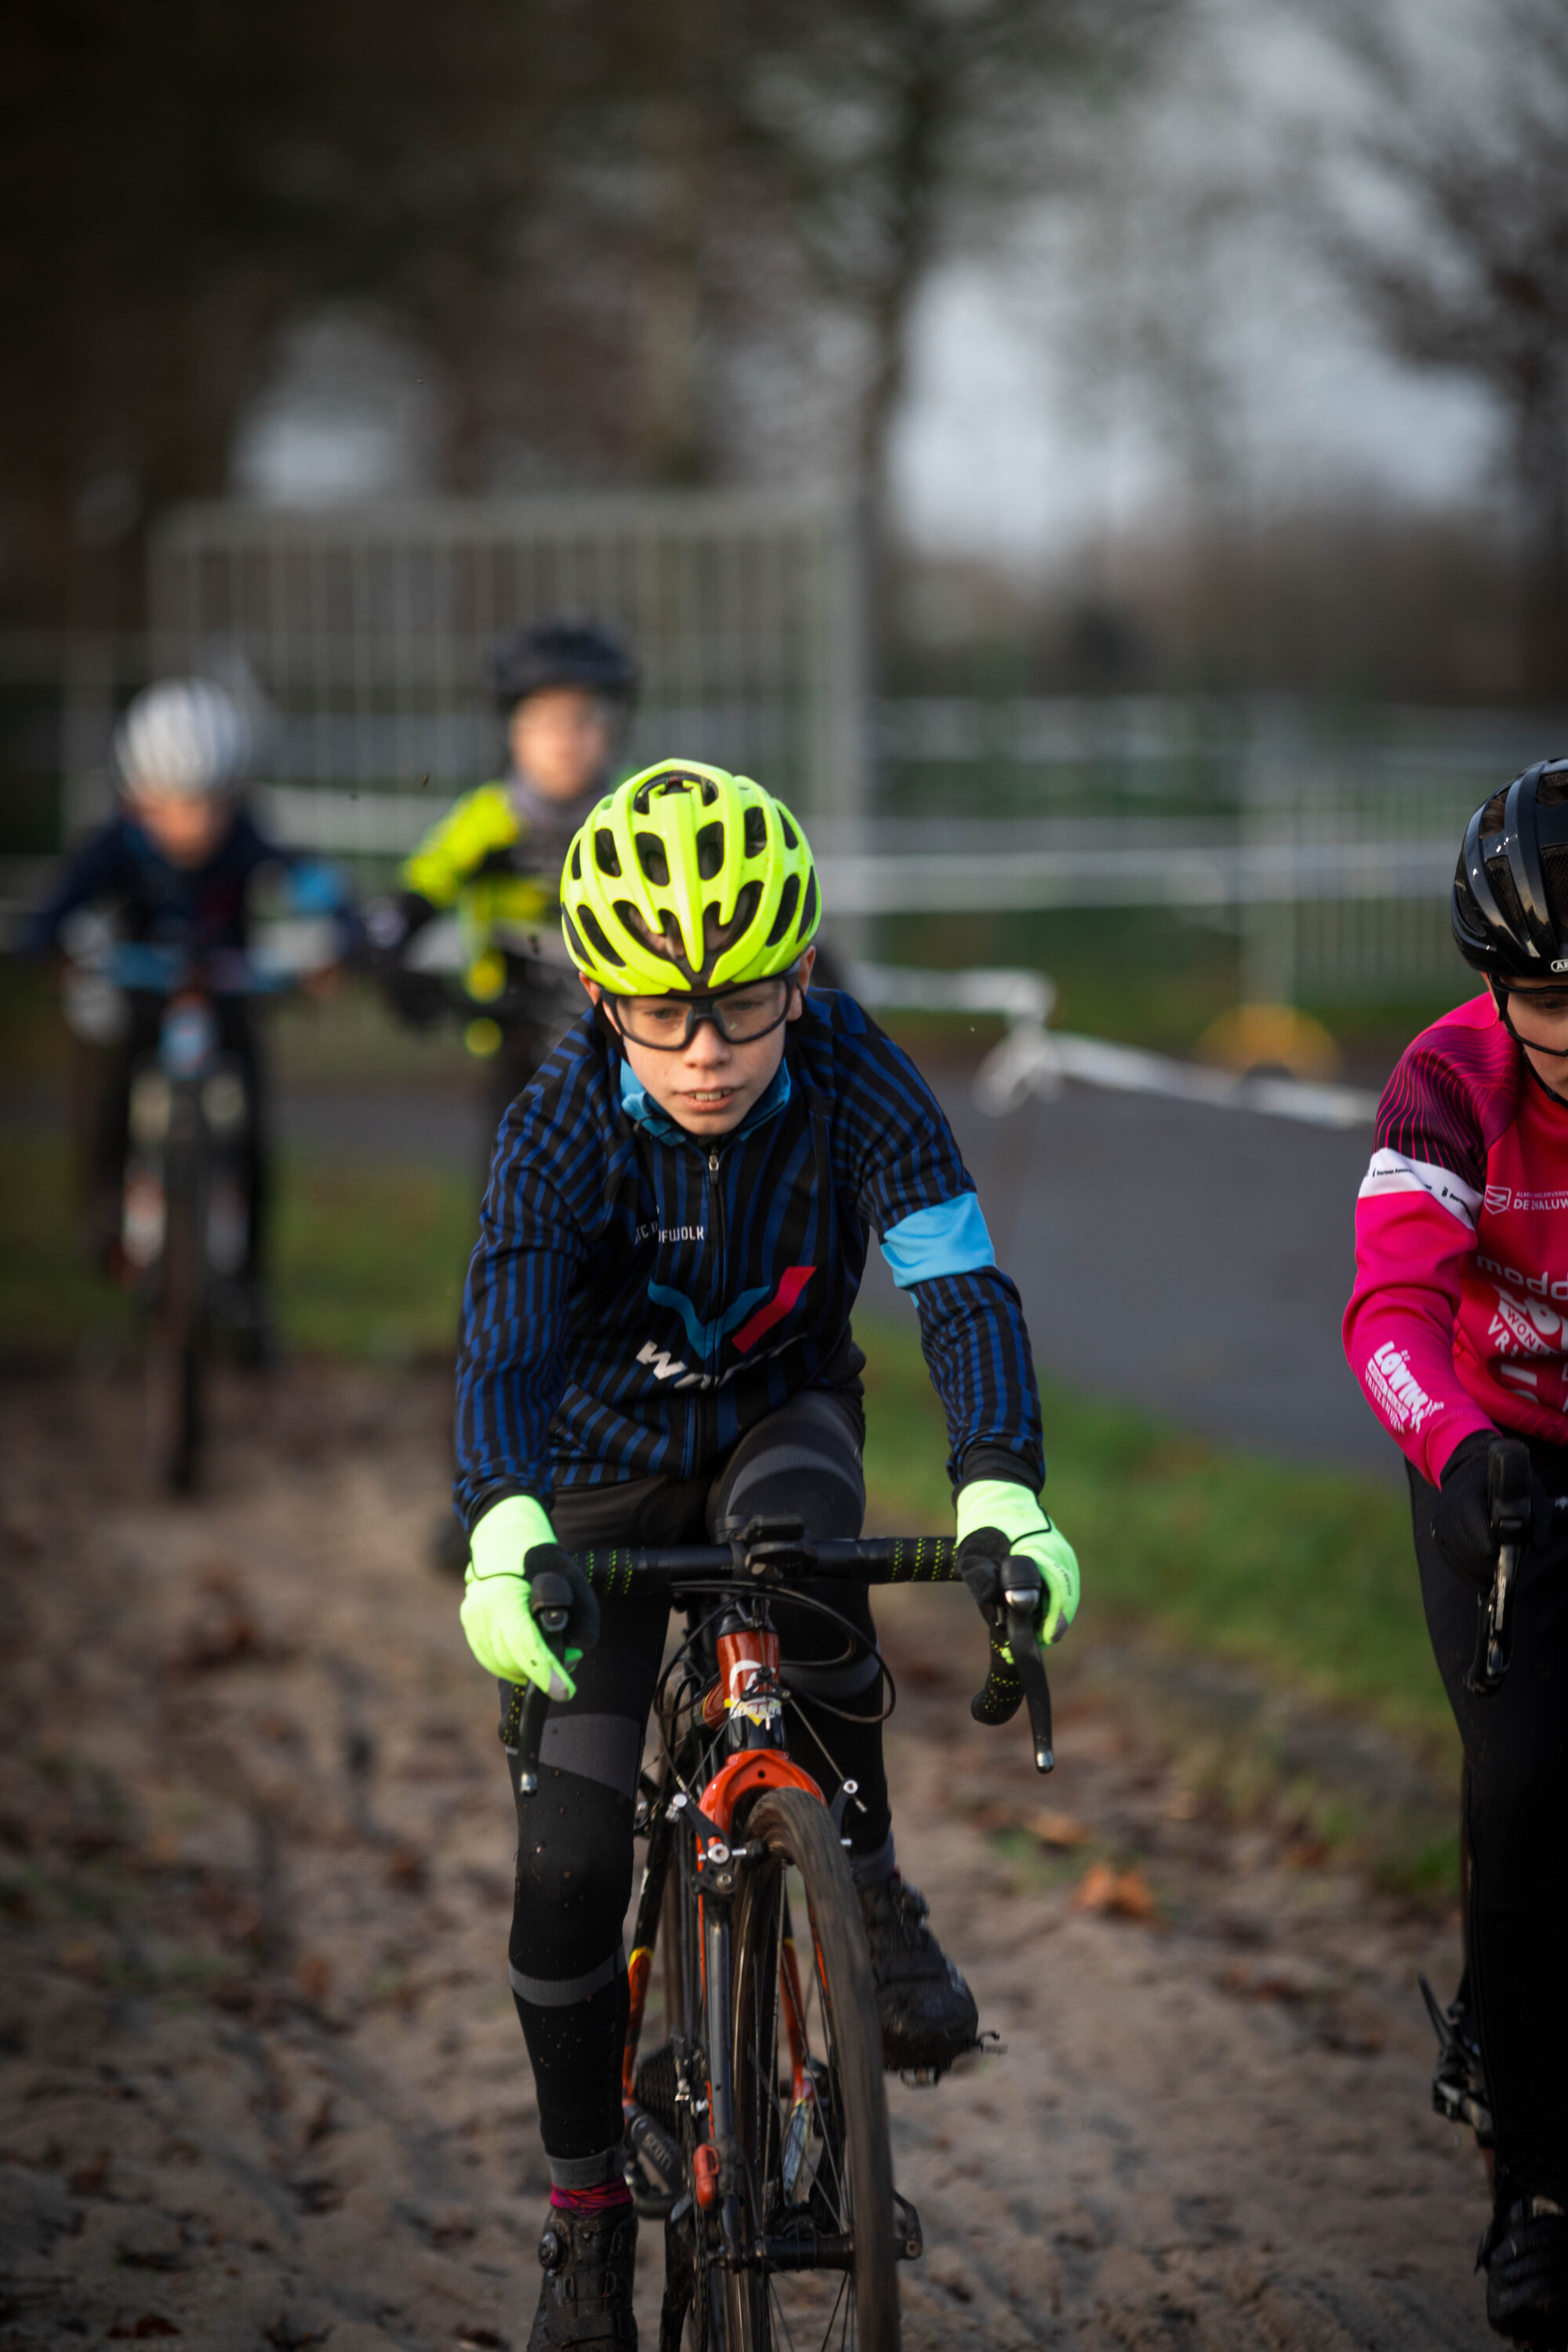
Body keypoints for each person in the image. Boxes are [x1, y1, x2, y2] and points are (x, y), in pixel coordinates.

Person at [452, 758, 1080, 2352]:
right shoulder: (554, 1127)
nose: (709, 1051)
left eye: (744, 1004)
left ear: (801, 973)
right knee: (571, 1872)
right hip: (594, 1472)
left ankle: (858, 1872)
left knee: (806, 1554)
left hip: (775, 1416)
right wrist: (500, 1519)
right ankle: (587, 2219)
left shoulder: (858, 1072)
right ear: (599, 993)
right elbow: (507, 1347)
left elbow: (959, 1288)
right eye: (661, 1015)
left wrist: (1001, 1489)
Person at [1344, 756, 1568, 2347]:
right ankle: (1535, 2186)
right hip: (1491, 1457)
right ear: (1496, 989)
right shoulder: (1447, 1078)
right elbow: (1387, 1312)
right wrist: (1460, 1448)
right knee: (1530, 1790)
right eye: (1552, 1002)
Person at [24, 675, 354, 1356]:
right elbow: (60, 905)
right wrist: (48, 945)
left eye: (206, 806)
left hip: (226, 998)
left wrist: (342, 933)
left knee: (253, 1127)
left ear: (231, 795)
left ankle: (249, 1286)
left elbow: (305, 881)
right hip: (142, 999)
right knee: (106, 1092)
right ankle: (103, 1213)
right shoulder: (114, 843)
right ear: (137, 796)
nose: (189, 824)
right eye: (168, 806)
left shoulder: (245, 840)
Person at [367, 618, 638, 1127]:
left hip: (632, 1049)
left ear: (614, 727)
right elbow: (419, 891)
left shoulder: (639, 811)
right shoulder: (488, 819)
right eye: (543, 720)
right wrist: (389, 947)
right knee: (509, 1193)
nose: (565, 740)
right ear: (512, 730)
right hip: (518, 1047)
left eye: (584, 719)